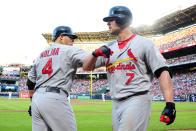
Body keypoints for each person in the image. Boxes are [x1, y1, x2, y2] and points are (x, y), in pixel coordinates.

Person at [83, 6, 176, 131]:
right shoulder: (108, 48)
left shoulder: (144, 44)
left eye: (111, 19)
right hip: (116, 102)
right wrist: (95, 54)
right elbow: (86, 67)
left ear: (122, 20)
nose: (108, 23)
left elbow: (162, 71)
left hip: (137, 99)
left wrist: (170, 104)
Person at [26, 25, 93, 131]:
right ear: (61, 36)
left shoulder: (41, 55)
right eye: (71, 37)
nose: (73, 40)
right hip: (55, 98)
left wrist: (32, 101)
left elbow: (30, 82)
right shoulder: (69, 50)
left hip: (37, 100)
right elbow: (92, 59)